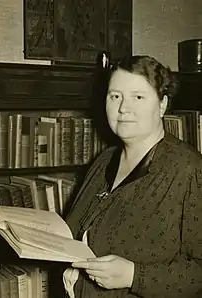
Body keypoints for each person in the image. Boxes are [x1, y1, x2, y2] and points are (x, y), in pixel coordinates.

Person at [62, 55, 202, 298]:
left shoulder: (189, 170)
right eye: (115, 96)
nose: (123, 108)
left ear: (162, 105)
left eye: (138, 97)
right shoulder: (103, 160)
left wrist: (135, 276)